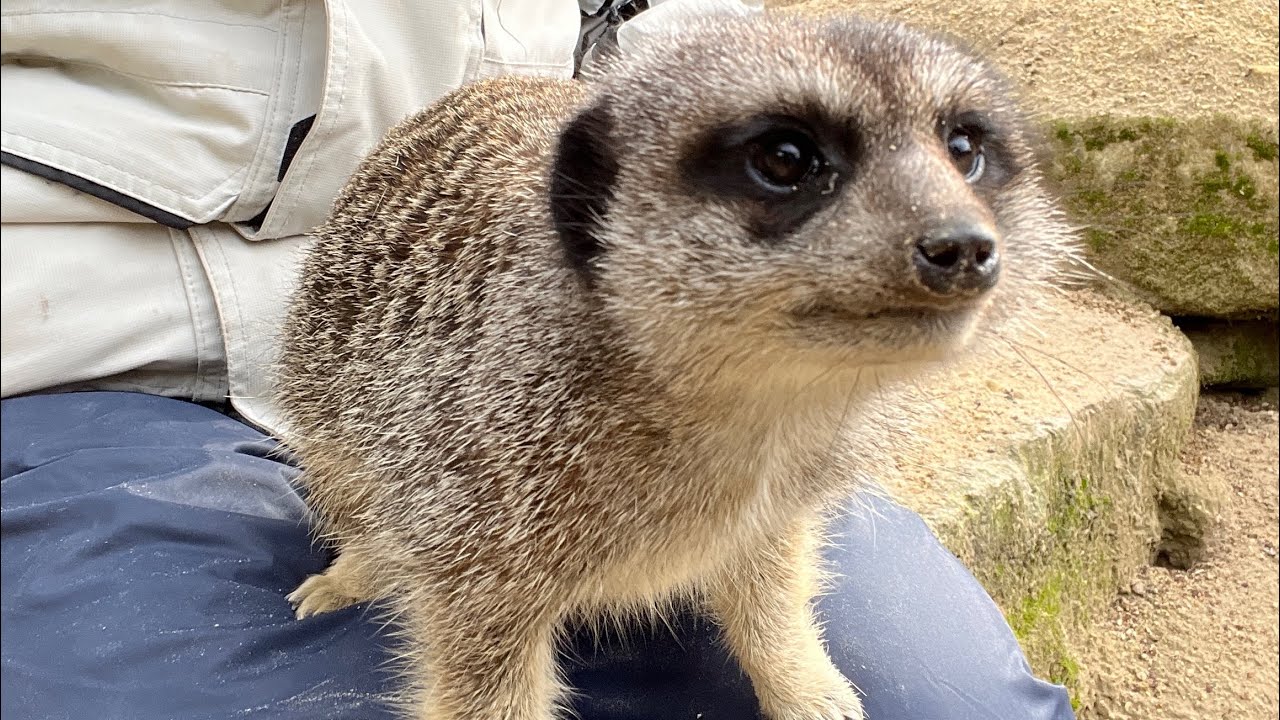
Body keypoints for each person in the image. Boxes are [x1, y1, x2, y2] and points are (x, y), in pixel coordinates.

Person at [0, 1, 1075, 718]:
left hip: (701, 329)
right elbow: (482, 621)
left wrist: (783, 661)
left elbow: (779, 502)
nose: (960, 231)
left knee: (940, 697)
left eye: (968, 155)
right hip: (84, 358)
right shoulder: (523, 421)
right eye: (791, 163)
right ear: (594, 217)